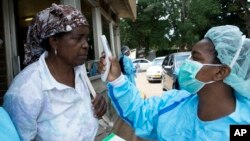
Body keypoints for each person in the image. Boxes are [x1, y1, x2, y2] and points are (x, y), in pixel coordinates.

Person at [100, 25, 250, 140]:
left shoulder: (242, 127)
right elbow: (139, 113)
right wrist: (117, 79)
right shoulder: (174, 102)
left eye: (195, 58)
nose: (186, 63)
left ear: (220, 72)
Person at [3, 4, 107, 141]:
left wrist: (97, 102)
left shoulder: (79, 71)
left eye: (86, 38)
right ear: (54, 42)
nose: (86, 45)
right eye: (78, 37)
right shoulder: (25, 91)